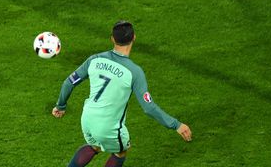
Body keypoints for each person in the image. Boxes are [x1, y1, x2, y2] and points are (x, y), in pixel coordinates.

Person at [52, 20, 192, 166]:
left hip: (87, 118)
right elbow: (148, 107)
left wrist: (60, 106)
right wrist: (176, 125)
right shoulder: (134, 72)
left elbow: (69, 82)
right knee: (121, 151)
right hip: (107, 125)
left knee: (95, 146)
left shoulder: (94, 59)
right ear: (134, 38)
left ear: (112, 38)